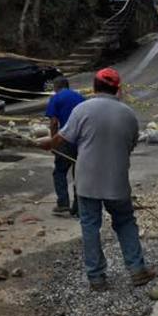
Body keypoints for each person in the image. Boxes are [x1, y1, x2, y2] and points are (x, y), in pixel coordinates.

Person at [37, 68, 156, 291]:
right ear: (118, 89)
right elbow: (130, 145)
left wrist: (47, 144)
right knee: (125, 222)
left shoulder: (82, 110)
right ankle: (137, 269)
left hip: (87, 181)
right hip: (117, 181)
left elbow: (61, 139)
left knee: (90, 227)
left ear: (94, 87)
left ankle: (96, 278)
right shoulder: (128, 114)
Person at [44, 77, 85, 217]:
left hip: (66, 139)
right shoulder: (80, 97)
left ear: (56, 87)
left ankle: (63, 204)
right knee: (78, 173)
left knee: (60, 171)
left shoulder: (56, 98)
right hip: (82, 141)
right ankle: (78, 207)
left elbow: (54, 122)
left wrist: (53, 143)